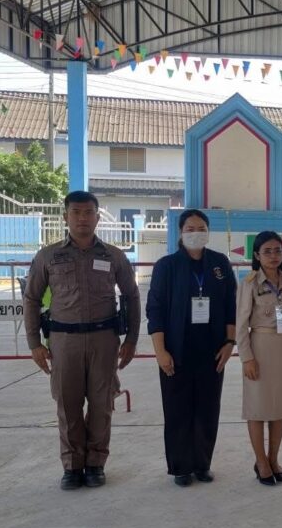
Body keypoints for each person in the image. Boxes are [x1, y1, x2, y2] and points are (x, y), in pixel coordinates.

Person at [23, 191, 141, 490]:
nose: (82, 218)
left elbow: (132, 296)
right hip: (64, 341)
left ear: (98, 218)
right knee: (68, 405)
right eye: (76, 212)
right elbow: (32, 299)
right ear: (65, 217)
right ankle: (72, 466)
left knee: (102, 404)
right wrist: (34, 343)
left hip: (104, 340)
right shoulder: (48, 256)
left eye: (88, 212)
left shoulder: (113, 255)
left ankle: (95, 464)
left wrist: (132, 339)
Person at [146, 209, 237, 487]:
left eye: (201, 229)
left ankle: (202, 464)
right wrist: (160, 351)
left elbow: (231, 305)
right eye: (190, 229)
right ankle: (181, 467)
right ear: (181, 232)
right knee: (178, 410)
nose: (196, 233)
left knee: (208, 410)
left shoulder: (219, 263)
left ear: (208, 232)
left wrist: (230, 343)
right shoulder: (167, 266)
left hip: (212, 351)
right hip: (176, 351)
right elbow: (155, 310)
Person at [236, 231, 282, 486]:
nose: (274, 256)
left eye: (278, 250)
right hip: (259, 348)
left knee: (279, 407)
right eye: (267, 251)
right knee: (257, 408)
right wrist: (246, 358)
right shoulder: (250, 283)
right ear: (257, 255)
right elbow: (241, 325)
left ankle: (274, 458)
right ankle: (260, 461)